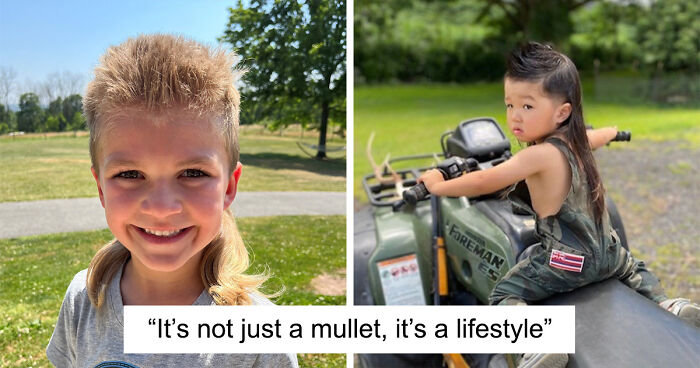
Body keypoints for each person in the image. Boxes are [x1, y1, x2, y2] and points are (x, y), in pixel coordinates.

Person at [418, 42, 700, 367]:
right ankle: (669, 306)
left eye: (527, 107)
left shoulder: (535, 155)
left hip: (566, 263)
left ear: (562, 112)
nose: (514, 117)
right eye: (510, 105)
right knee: (636, 269)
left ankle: (540, 344)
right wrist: (612, 132)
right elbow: (598, 137)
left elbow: (486, 181)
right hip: (609, 254)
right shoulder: (579, 142)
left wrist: (439, 186)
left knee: (503, 294)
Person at [46, 34, 298, 368]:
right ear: (101, 189)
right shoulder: (84, 297)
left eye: (193, 173)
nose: (162, 207)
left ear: (228, 187)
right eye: (130, 174)